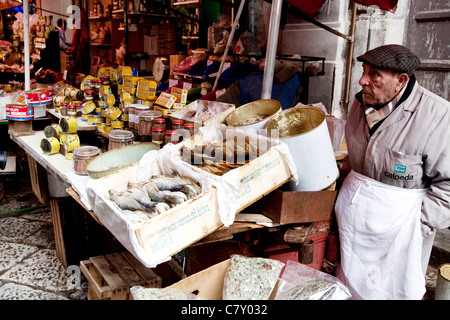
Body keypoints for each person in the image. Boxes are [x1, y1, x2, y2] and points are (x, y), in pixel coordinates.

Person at [335, 44, 450, 300]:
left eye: (374, 74)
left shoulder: (438, 116)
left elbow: (448, 189)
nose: (362, 80)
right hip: (354, 225)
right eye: (363, 70)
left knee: (392, 292)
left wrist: (415, 225)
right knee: (350, 289)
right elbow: (353, 159)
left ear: (401, 81)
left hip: (401, 234)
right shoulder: (360, 104)